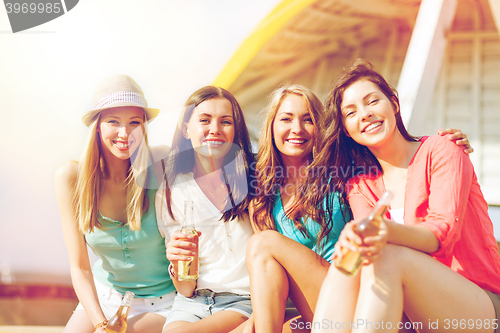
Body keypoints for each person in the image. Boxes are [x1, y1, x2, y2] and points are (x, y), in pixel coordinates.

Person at [307, 59, 500, 333]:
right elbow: (367, 249)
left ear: (393, 104)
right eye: (351, 112)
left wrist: (383, 231)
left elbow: (441, 233)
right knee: (349, 257)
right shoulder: (359, 185)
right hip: (409, 308)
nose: (364, 114)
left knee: (386, 254)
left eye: (372, 101)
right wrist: (357, 238)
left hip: (476, 304)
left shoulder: (443, 149)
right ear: (347, 130)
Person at [54, 75, 175, 333]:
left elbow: (213, 165)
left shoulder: (161, 163)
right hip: (104, 297)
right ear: (97, 126)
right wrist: (100, 323)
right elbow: (80, 267)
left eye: (134, 122)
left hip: (163, 304)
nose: (124, 133)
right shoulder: (71, 179)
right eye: (113, 122)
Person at [156, 86, 256, 333]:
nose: (215, 129)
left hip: (245, 300)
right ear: (186, 129)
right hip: (192, 302)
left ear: (236, 130)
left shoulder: (255, 178)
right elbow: (185, 288)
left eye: (226, 122)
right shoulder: (171, 191)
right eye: (205, 120)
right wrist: (176, 262)